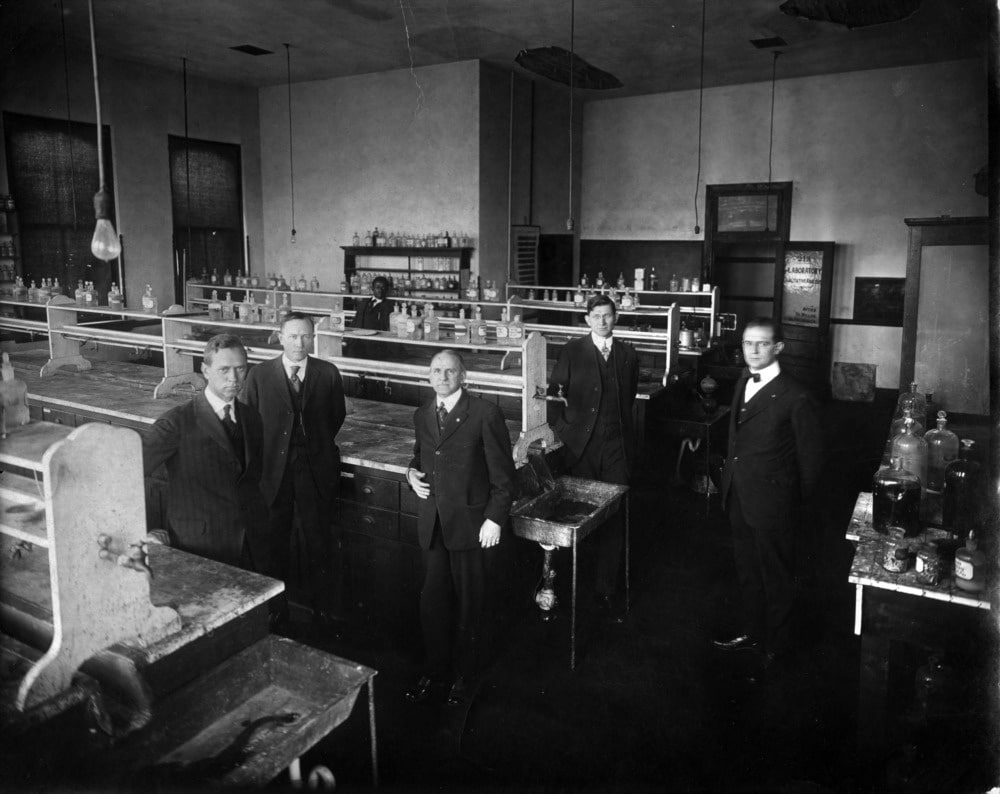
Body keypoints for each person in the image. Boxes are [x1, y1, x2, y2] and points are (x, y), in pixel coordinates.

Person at [404, 350, 516, 706]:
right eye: (436, 371)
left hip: (472, 526)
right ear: (428, 376)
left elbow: (504, 476)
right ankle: (436, 670)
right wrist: (410, 474)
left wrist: (495, 517)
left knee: (472, 606)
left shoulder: (485, 413)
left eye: (450, 371)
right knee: (433, 604)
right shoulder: (423, 414)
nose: (442, 377)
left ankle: (466, 677)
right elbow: (422, 457)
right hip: (435, 524)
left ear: (463, 375)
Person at [715, 318, 825, 671]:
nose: (754, 350)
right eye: (748, 343)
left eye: (762, 344)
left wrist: (792, 504)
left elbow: (812, 462)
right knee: (747, 570)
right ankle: (752, 632)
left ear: (779, 347)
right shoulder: (743, 380)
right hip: (739, 494)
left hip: (774, 503)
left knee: (776, 575)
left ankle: (778, 645)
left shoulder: (797, 395)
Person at [242, 312, 347, 625]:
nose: (300, 343)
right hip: (273, 472)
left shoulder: (327, 372)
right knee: (274, 543)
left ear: (313, 337)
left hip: (315, 470)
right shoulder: (260, 374)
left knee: (319, 541)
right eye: (293, 336)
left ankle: (322, 614)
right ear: (280, 336)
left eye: (305, 336)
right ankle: (277, 613)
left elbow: (336, 416)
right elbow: (250, 419)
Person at [142, 334, 268, 570]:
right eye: (224, 370)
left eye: (241, 369)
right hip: (200, 547)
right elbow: (124, 475)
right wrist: (146, 531)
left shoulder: (251, 418)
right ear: (205, 370)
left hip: (251, 542)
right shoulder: (176, 423)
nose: (234, 378)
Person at [548, 294, 639, 617]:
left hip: (616, 447)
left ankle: (605, 589)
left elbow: (627, 400)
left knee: (614, 514)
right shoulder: (572, 351)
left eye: (608, 315)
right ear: (587, 319)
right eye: (596, 316)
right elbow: (554, 396)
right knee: (577, 514)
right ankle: (576, 584)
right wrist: (565, 431)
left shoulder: (628, 355)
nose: (602, 321)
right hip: (579, 449)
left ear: (616, 318)